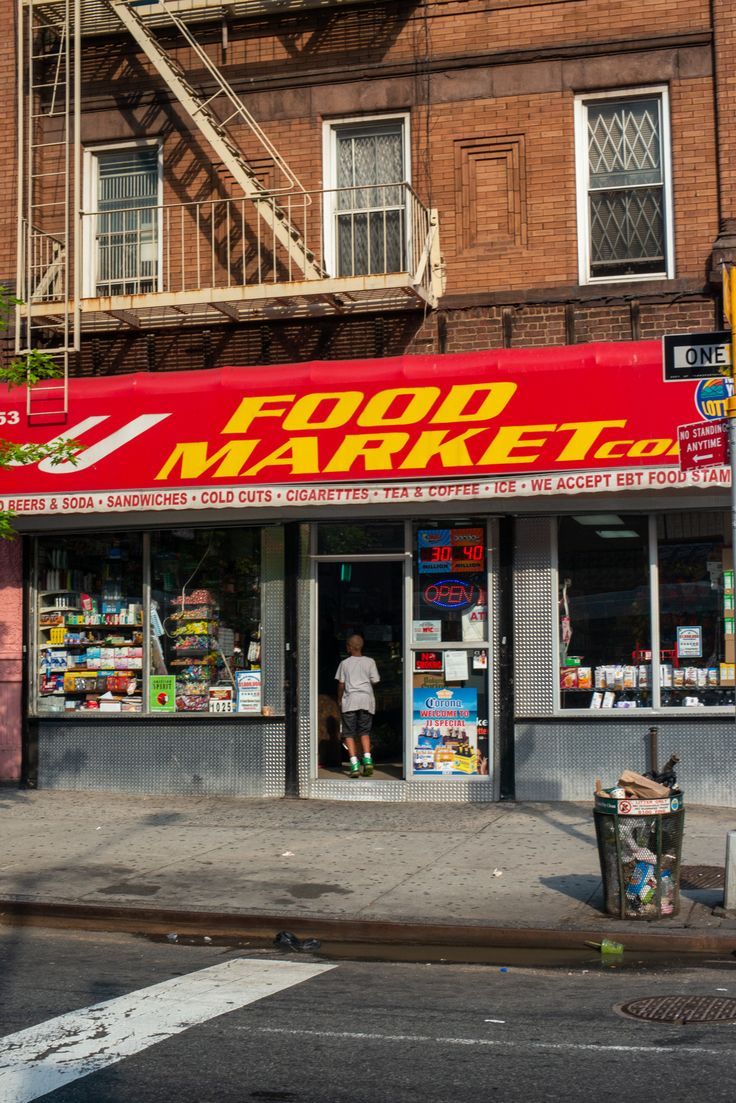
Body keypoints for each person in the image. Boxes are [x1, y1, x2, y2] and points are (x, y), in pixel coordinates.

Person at [335, 633, 380, 778]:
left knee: (348, 733)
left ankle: (354, 764)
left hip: (350, 701)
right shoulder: (370, 662)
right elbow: (375, 680)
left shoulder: (345, 664)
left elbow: (341, 684)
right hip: (366, 701)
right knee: (364, 732)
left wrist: (339, 699)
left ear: (349, 647)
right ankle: (367, 761)